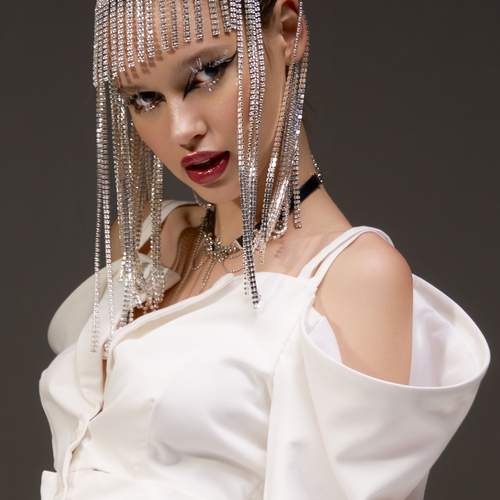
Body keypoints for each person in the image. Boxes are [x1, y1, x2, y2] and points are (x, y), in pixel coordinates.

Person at [39, 1, 491, 499]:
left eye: (207, 73)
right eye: (145, 99)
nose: (181, 129)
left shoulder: (354, 279)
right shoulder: (152, 241)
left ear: (289, 31)